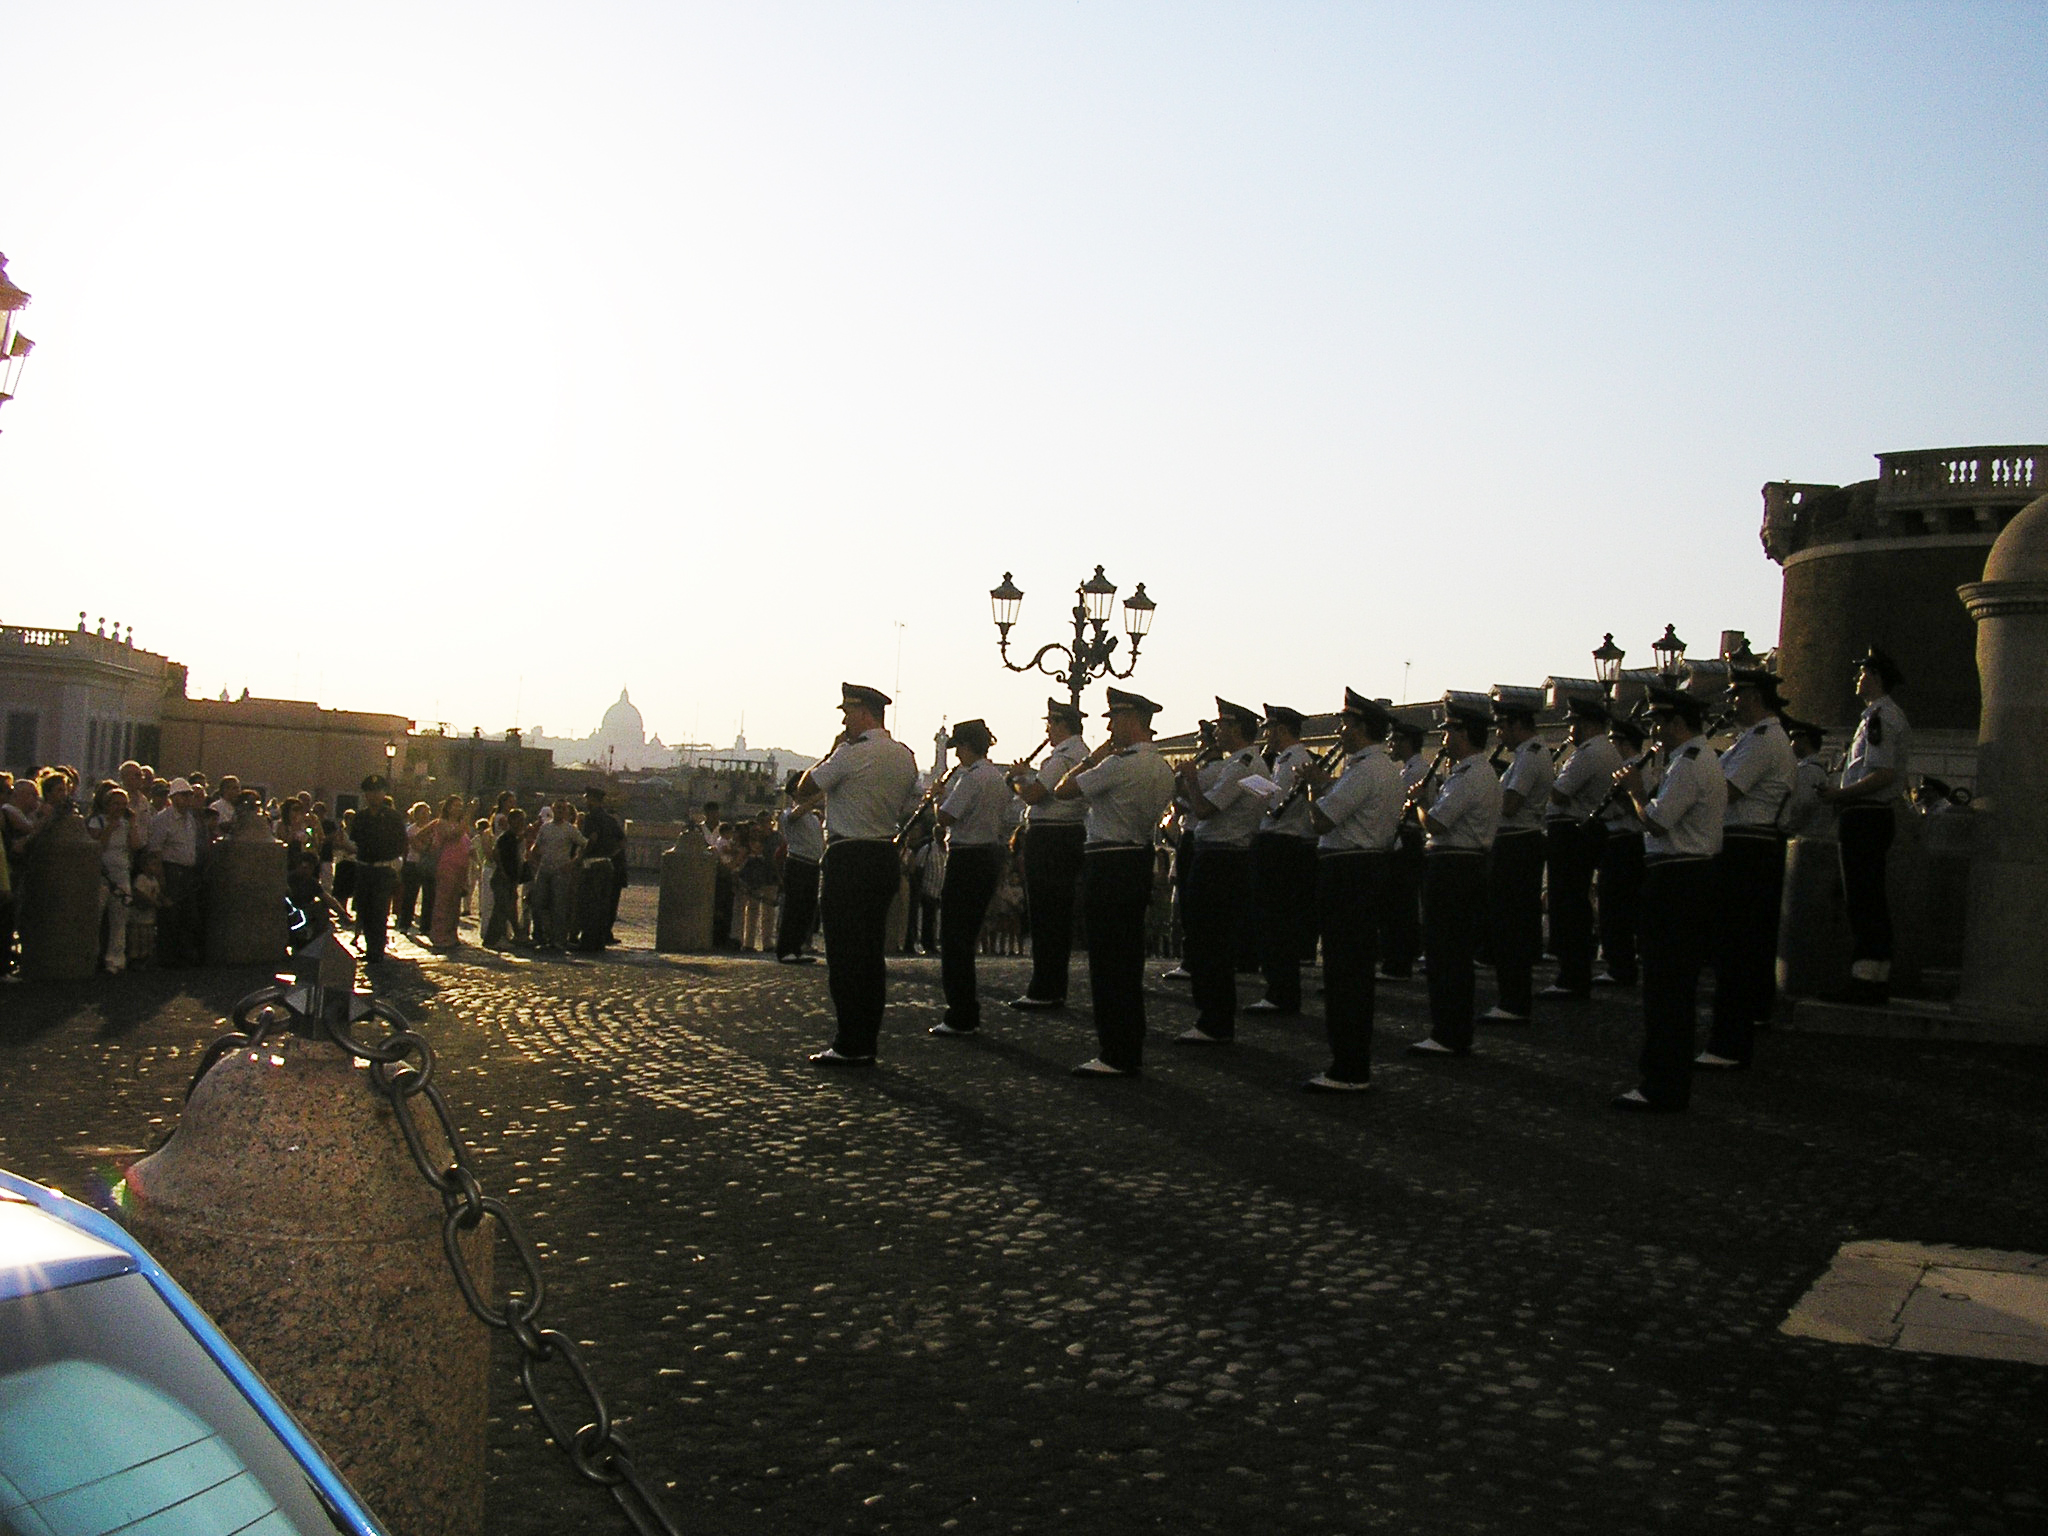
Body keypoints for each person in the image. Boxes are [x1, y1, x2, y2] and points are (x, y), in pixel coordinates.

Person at [1610, 684, 1728, 1112]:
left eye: (1659, 723)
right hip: (1685, 877)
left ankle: (1662, 1082)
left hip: (1679, 878)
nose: (1654, 732)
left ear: (1678, 723)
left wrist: (1637, 790)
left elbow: (1658, 823)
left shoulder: (1690, 764)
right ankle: (1664, 1078)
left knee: (1666, 987)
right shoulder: (1690, 760)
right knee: (1669, 986)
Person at [1057, 688, 1177, 1078]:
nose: (1108, 726)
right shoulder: (1159, 766)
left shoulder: (1120, 764)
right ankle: (1129, 1042)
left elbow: (1064, 790)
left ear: (1129, 721)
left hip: (1108, 862)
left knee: (1108, 962)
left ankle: (1116, 1050)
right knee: (1127, 960)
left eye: (1112, 719)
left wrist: (1095, 756)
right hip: (1137, 857)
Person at [798, 683, 920, 1066]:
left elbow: (804, 788)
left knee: (845, 953)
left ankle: (850, 1040)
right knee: (870, 954)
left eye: (848, 712)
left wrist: (833, 751)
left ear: (865, 713)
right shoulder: (905, 757)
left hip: (849, 854)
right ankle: (866, 1035)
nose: (844, 720)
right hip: (884, 853)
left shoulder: (851, 754)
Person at [1298, 690, 1403, 1091]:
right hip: (1364, 868)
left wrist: (1312, 788)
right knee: (1351, 971)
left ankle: (1348, 1067)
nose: (1340, 731)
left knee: (1346, 974)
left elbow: (1322, 821)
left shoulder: (1365, 769)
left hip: (1350, 871)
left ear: (1359, 728)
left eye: (1345, 724)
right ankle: (1348, 1062)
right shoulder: (1379, 767)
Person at [1699, 669, 1798, 1069]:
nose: (1731, 703)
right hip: (1747, 844)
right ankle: (1737, 1028)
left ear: (1754, 697)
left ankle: (1729, 1042)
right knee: (1740, 947)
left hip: (1748, 845)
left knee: (1737, 947)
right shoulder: (1756, 739)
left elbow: (1727, 791)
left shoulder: (1762, 740)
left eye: (1736, 695)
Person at [1408, 702, 1502, 1057]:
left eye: (1448, 731)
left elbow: (1435, 823)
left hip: (1454, 867)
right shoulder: (1474, 772)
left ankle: (1449, 1031)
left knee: (1446, 953)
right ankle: (1451, 1029)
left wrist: (1418, 802)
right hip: (1462, 865)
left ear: (1463, 734)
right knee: (1451, 954)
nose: (1444, 738)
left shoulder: (1470, 774)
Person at [1817, 647, 1909, 1004]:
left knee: (1863, 897)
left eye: (1863, 673)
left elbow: (1882, 773)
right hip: (1868, 813)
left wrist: (1840, 795)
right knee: (1866, 895)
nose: (1858, 679)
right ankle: (1872, 975)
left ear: (1875, 677)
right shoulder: (1878, 716)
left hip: (1866, 813)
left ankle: (1867, 980)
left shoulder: (1881, 717)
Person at [1171, 699, 1265, 1046]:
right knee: (1211, 939)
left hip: (1221, 858)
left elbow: (1207, 809)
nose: (1217, 733)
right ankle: (1213, 1015)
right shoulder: (1242, 764)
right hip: (1225, 855)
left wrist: (1192, 782)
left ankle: (1214, 1019)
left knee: (1210, 940)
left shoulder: (1242, 766)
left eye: (1223, 726)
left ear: (1236, 728)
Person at [1006, 699, 1091, 1010]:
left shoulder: (1062, 757)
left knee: (1045, 916)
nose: (1046, 730)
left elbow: (1034, 796)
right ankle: (1052, 986)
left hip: (1051, 837)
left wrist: (1017, 778)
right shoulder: (1081, 754)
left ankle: (1045, 988)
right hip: (1067, 835)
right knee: (1055, 916)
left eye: (1050, 724)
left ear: (1061, 724)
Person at [927, 719, 1008, 1037]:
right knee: (966, 935)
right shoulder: (995, 778)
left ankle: (960, 1013)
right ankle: (966, 1011)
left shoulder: (971, 779)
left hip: (966, 857)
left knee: (954, 938)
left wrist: (937, 797)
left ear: (966, 746)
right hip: (987, 854)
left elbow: (946, 816)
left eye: (958, 747)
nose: (956, 754)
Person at [1540, 698, 1621, 1001]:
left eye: (1574, 724)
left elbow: (1560, 794)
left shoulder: (1590, 753)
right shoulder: (1604, 750)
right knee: (1574, 903)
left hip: (1573, 833)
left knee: (1568, 904)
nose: (1570, 730)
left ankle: (1572, 976)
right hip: (1583, 831)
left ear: (1587, 724)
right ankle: (1573, 973)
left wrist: (1549, 773)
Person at [1485, 694, 1553, 1022]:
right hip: (1518, 842)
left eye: (1501, 726)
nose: (1499, 734)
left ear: (1516, 725)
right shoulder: (1528, 754)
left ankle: (1513, 1000)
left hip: (1517, 842)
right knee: (1511, 923)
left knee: (1510, 923)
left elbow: (1510, 805)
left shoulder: (1530, 756)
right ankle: (1512, 996)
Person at [1248, 704, 1318, 1016]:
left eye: (1269, 729)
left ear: (1282, 730)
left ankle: (1281, 991)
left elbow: (1278, 805)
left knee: (1277, 922)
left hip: (1284, 842)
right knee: (1272, 921)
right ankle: (1278, 988)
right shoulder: (1283, 760)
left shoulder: (1295, 760)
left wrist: (1255, 790)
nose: (1265, 734)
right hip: (1278, 841)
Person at [1595, 712, 1655, 987]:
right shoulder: (1643, 768)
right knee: (1628, 906)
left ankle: (1620, 965)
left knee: (1615, 906)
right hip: (1631, 841)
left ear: (1621, 742)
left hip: (1624, 839)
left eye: (1612, 742)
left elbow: (1640, 805)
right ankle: (1625, 960)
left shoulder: (1635, 770)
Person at [1378, 723, 1429, 980]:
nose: (1391, 745)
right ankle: (1398, 958)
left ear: (1407, 742)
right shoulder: (1409, 768)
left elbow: (1397, 803)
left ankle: (1398, 962)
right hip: (1404, 835)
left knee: (1400, 905)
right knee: (1399, 904)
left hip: (1407, 837)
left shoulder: (1417, 770)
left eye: (1395, 740)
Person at [350, 774, 409, 965]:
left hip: (384, 869)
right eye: (370, 792)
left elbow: (401, 842)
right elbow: (355, 842)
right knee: (365, 911)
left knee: (379, 910)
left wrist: (396, 865)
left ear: (384, 794)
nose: (373, 796)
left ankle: (376, 950)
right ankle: (370, 947)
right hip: (364, 868)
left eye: (377, 792)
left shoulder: (392, 817)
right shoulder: (360, 818)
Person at [146, 778, 206, 967]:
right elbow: (155, 851)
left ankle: (182, 956)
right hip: (171, 870)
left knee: (188, 916)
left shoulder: (191, 820)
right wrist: (162, 881)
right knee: (170, 916)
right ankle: (167, 958)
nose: (188, 799)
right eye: (184, 795)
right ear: (173, 797)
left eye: (190, 795)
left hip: (187, 871)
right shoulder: (163, 819)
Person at [774, 772, 824, 963]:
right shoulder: (788, 814)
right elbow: (796, 815)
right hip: (797, 864)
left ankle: (797, 947)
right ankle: (785, 949)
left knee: (807, 909)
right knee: (793, 908)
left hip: (812, 865)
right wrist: (816, 797)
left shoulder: (812, 818)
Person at [575, 788, 625, 951]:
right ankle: (599, 940)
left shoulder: (591, 818)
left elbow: (592, 839)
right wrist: (609, 854)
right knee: (603, 904)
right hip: (607, 864)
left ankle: (588, 940)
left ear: (592, 800)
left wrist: (580, 858)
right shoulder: (610, 819)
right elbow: (622, 841)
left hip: (593, 865)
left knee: (589, 903)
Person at [531, 798, 585, 950]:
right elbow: (536, 846)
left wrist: (573, 862)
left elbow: (584, 845)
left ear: (567, 811)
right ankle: (541, 936)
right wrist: (534, 860)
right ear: (553, 809)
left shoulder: (570, 829)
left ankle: (558, 939)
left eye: (563, 808)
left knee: (559, 906)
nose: (560, 811)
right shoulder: (545, 828)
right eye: (558, 808)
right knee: (539, 903)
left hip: (561, 871)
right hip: (544, 869)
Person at [425, 794, 470, 948]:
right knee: (444, 900)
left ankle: (451, 933)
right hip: (447, 865)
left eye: (460, 805)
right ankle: (439, 934)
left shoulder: (462, 825)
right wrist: (469, 815)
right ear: (448, 808)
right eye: (455, 805)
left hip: (461, 866)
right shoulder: (442, 823)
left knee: (455, 902)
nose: (458, 808)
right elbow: (453, 836)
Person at [1780, 718, 1832, 840]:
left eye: (1793, 739)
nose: (1790, 744)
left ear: (1804, 740)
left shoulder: (1808, 770)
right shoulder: (1817, 769)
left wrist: (1786, 828)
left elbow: (1802, 804)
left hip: (1804, 837)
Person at [484, 808, 527, 949]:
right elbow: (496, 854)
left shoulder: (513, 838)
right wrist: (503, 872)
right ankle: (493, 939)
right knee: (501, 909)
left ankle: (512, 935)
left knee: (508, 908)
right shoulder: (506, 837)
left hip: (509, 879)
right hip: (502, 878)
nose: (521, 823)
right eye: (518, 820)